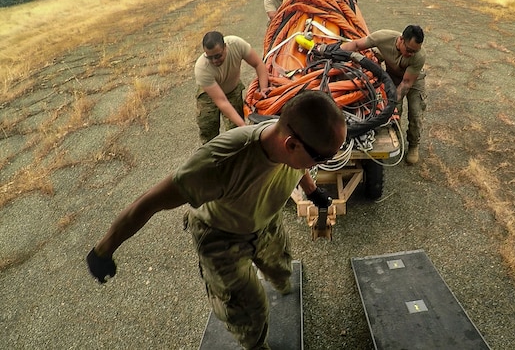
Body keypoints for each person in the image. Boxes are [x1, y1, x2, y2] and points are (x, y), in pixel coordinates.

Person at [86, 89, 347, 350]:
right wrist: (103, 251)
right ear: (291, 144)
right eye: (323, 158)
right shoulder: (221, 162)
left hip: (263, 219)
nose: (325, 163)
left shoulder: (291, 144)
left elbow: (300, 165)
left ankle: (275, 283)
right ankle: (245, 330)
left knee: (281, 269)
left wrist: (313, 192)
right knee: (249, 310)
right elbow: (147, 203)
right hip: (221, 236)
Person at [338, 24, 427, 164]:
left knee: (415, 113)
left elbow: (406, 84)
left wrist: (390, 103)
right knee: (396, 111)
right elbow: (355, 45)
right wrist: (335, 51)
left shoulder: (419, 56)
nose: (411, 54)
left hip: (413, 81)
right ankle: (396, 135)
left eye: (414, 51)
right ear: (401, 39)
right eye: (409, 50)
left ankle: (413, 144)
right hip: (392, 77)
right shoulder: (384, 37)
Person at [195, 31, 270, 144]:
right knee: (208, 131)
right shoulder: (202, 68)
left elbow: (258, 64)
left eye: (218, 56)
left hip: (232, 90)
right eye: (210, 57)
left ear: (225, 47)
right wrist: (243, 126)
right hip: (209, 96)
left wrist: (264, 88)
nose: (214, 61)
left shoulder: (237, 44)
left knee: (236, 134)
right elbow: (221, 101)